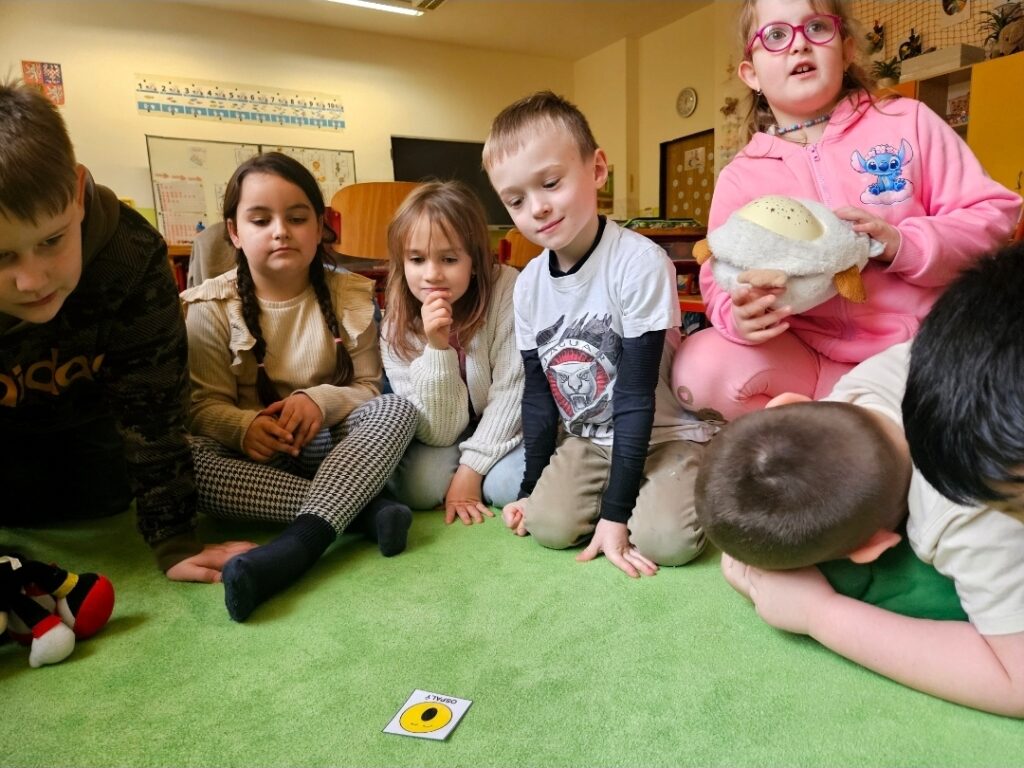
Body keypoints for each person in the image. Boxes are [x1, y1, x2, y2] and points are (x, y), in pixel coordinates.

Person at [694, 242, 1024, 717]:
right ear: (790, 402)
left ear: (873, 547)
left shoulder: (969, 514)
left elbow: (1015, 680)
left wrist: (821, 615)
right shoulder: (899, 362)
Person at [672, 0, 1021, 420]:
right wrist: (739, 314)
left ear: (847, 50)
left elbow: (993, 214)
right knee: (699, 369)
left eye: (817, 27)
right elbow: (719, 275)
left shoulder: (907, 121)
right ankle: (840, 422)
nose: (799, 45)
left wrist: (901, 244)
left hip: (919, 349)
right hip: (809, 360)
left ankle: (841, 427)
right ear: (751, 74)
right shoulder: (741, 175)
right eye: (776, 35)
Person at [0, 80, 255, 582]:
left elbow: (153, 408)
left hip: (93, 456)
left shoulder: (131, 254)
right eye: (1, 255)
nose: (32, 281)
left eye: (51, 241)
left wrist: (173, 538)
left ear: (77, 195)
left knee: (105, 494)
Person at [483, 91, 717, 578]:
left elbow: (635, 397)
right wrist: (529, 490)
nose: (538, 208)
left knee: (666, 541)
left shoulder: (638, 262)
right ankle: (624, 492)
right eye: (516, 200)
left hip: (664, 434)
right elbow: (538, 398)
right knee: (548, 526)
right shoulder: (528, 285)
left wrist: (615, 514)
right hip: (591, 438)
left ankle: (700, 466)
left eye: (551, 183)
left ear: (597, 170)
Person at [181, 153, 418, 622]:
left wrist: (319, 400)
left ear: (320, 226)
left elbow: (370, 388)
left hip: (331, 446)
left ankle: (298, 545)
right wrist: (244, 428)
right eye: (260, 220)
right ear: (234, 232)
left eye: (296, 218)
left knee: (397, 410)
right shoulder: (210, 306)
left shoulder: (350, 294)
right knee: (184, 461)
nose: (280, 231)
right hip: (257, 458)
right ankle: (362, 509)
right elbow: (202, 407)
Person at [380, 181, 525, 524]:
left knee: (506, 486)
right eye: (417, 259)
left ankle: (482, 469)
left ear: (474, 261)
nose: (432, 275)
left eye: (449, 259)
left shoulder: (508, 289)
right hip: (446, 430)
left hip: (507, 424)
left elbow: (512, 393)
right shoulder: (396, 321)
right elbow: (439, 431)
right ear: (402, 262)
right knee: (418, 489)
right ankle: (474, 468)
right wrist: (437, 348)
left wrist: (470, 471)